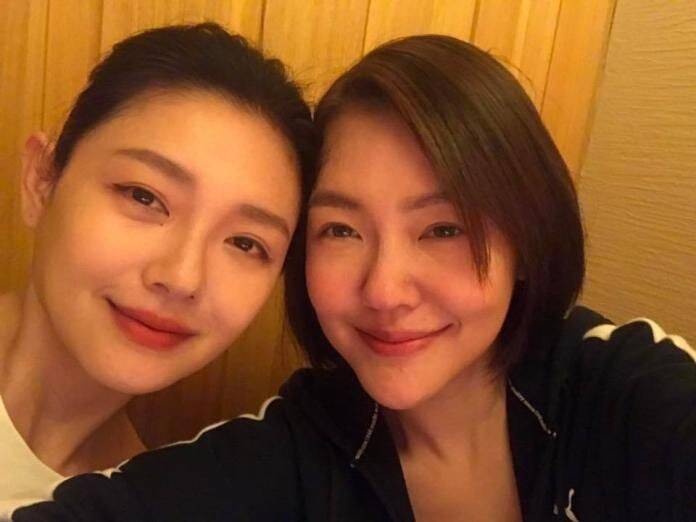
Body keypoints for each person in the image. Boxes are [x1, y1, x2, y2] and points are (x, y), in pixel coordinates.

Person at [9, 35, 696, 522]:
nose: (385, 291)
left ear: (527, 234)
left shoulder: (622, 390)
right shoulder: (289, 452)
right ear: (41, 178)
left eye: (444, 229)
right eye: (340, 230)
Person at [0, 22, 315, 507]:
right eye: (144, 196)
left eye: (245, 243)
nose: (182, 277)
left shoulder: (136, 502)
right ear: (41, 180)